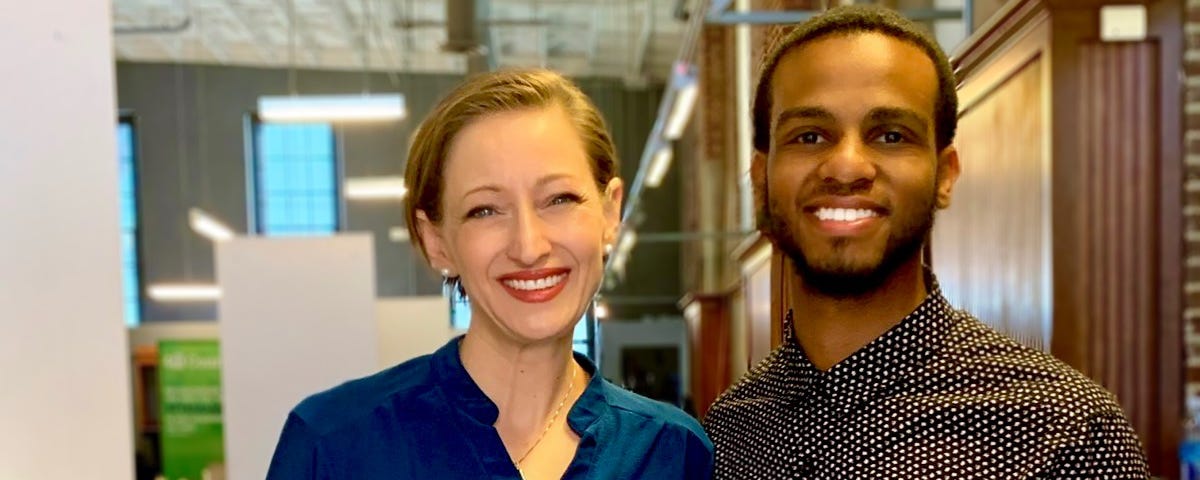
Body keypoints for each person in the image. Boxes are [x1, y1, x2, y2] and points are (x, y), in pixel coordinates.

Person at [703, 5, 1149, 479]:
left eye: (891, 136)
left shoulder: (1065, 431)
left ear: (945, 175)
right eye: (810, 136)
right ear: (760, 178)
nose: (847, 166)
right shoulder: (730, 430)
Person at [266, 68, 713, 479]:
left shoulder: (671, 452)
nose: (529, 246)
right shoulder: (334, 447)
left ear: (610, 213)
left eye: (558, 199)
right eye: (484, 210)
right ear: (436, 241)